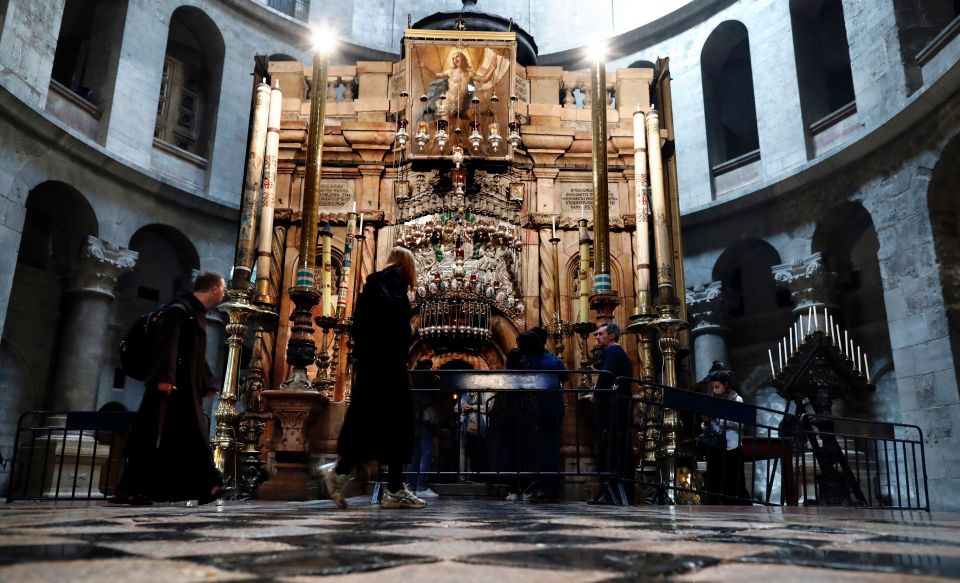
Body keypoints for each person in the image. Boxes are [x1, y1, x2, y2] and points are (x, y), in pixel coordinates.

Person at [111, 271, 227, 505]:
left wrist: (207, 382)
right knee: (154, 435)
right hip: (169, 387)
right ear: (214, 288)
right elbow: (168, 345)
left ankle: (205, 487)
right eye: (224, 289)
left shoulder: (195, 314)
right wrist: (165, 377)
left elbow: (196, 354)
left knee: (180, 438)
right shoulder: (179, 310)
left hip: (184, 387)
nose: (224, 294)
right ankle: (209, 486)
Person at [324, 247, 426, 510]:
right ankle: (389, 489)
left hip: (373, 367)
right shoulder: (395, 284)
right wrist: (409, 330)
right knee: (397, 425)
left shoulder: (376, 286)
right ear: (408, 266)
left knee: (371, 422)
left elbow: (365, 327)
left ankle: (346, 474)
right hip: (387, 368)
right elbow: (393, 328)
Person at [517, 330, 565, 501]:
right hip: (554, 407)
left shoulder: (526, 361)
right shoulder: (553, 360)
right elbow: (564, 376)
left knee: (539, 449)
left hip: (537, 408)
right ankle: (552, 487)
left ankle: (543, 486)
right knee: (552, 448)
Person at [589, 322, 634, 503]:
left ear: (612, 336)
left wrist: (596, 394)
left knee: (610, 447)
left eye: (600, 334)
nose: (597, 337)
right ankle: (611, 491)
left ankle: (611, 492)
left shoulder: (613, 351)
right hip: (618, 405)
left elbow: (606, 374)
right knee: (614, 446)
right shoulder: (616, 351)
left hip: (614, 407)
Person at [700, 365, 751, 504]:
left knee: (734, 484)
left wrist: (721, 417)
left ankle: (742, 509)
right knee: (715, 483)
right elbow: (707, 425)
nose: (714, 390)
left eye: (717, 387)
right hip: (717, 446)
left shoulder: (736, 399)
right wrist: (706, 421)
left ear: (726, 385)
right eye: (713, 387)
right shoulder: (712, 399)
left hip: (732, 447)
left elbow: (741, 424)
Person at [407, 358, 439, 498]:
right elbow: (434, 390)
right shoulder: (426, 377)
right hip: (424, 417)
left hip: (412, 418)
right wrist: (436, 378)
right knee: (427, 451)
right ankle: (421, 486)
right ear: (427, 366)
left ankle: (411, 485)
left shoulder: (412, 376)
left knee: (414, 453)